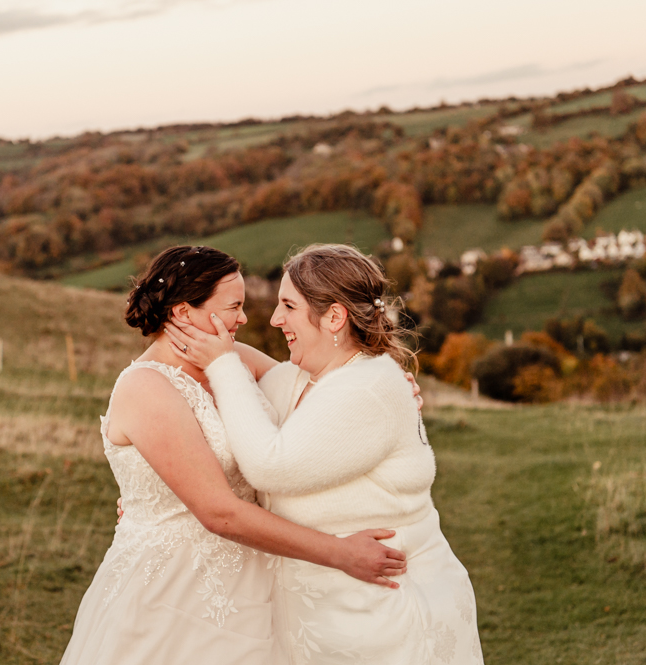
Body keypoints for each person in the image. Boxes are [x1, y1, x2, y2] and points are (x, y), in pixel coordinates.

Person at [58, 246, 408, 665]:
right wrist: (341, 553)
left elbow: (321, 391)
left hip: (260, 581)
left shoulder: (235, 359)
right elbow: (218, 512)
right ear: (185, 312)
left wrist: (387, 392)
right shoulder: (145, 389)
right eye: (234, 306)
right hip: (176, 593)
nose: (243, 318)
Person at [165, 244, 485, 664]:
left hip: (385, 616)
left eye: (288, 306)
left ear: (334, 316)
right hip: (315, 619)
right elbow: (230, 429)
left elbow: (268, 466)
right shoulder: (298, 380)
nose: (276, 319)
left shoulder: (371, 388)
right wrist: (157, 493)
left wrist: (223, 364)